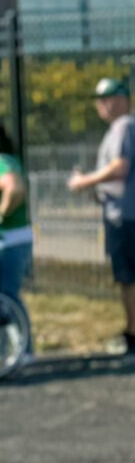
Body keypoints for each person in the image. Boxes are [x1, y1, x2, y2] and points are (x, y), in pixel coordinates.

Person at [67, 78, 135, 358]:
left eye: (106, 98)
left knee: (130, 275)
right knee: (128, 275)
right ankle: (133, 331)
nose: (100, 104)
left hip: (125, 215)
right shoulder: (123, 128)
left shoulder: (125, 127)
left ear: (122, 99)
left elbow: (119, 168)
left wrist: (85, 181)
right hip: (125, 213)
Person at [0, 123, 34, 368]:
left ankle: (22, 351)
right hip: (13, 239)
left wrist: (0, 214)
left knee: (7, 298)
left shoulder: (2, 161)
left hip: (10, 240)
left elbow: (14, 188)